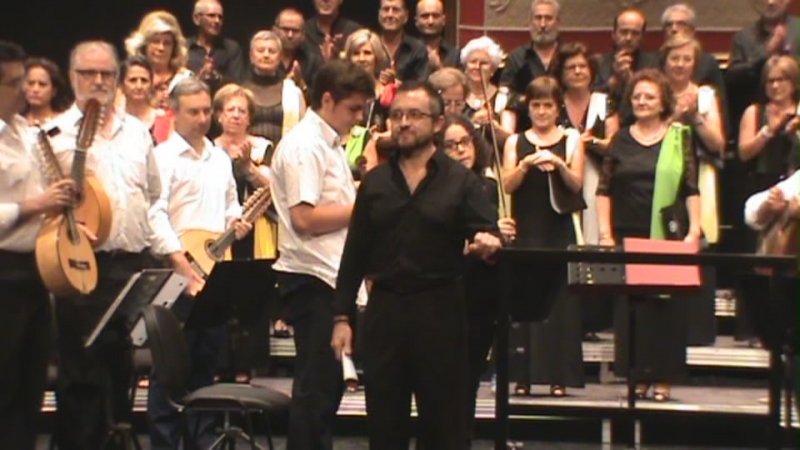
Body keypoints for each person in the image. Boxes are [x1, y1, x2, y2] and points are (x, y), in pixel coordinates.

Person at [331, 81, 503, 449]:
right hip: (385, 310)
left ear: (438, 123)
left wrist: (489, 242)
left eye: (414, 115)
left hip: (440, 310)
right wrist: (342, 317)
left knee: (444, 426)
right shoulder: (375, 182)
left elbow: (487, 231)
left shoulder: (461, 181)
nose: (403, 123)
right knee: (384, 424)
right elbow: (354, 254)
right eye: (396, 115)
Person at [48, 40, 162, 449]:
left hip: (129, 265)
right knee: (81, 374)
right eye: (88, 73)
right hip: (81, 265)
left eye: (106, 73)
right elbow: (44, 204)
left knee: (120, 368)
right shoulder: (55, 135)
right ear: (72, 77)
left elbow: (152, 192)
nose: (98, 81)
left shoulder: (137, 132)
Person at [269, 59, 375, 450]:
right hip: (313, 279)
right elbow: (304, 218)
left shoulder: (329, 143)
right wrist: (365, 206)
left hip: (330, 277)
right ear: (327, 100)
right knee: (316, 391)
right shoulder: (305, 146)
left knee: (326, 391)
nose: (359, 117)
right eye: (353, 108)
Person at [596, 68, 701, 402]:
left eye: (649, 96)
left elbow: (691, 188)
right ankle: (637, 376)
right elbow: (604, 190)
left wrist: (694, 230)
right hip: (628, 233)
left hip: (667, 234)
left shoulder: (680, 136)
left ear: (663, 102)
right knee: (633, 311)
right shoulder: (620, 139)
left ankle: (663, 377)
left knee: (665, 309)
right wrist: (605, 233)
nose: (642, 101)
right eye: (637, 96)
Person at [0, 40, 74, 450]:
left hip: (34, 269)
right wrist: (36, 205)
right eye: (15, 83)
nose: (25, 91)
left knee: (30, 384)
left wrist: (59, 198)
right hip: (3, 271)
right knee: (5, 383)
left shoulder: (24, 133)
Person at [502, 76, 586, 397]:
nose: (541, 111)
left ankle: (558, 377)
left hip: (558, 230)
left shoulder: (571, 138)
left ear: (557, 108)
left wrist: (559, 164)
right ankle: (522, 377)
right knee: (524, 302)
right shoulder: (515, 142)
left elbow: (576, 184)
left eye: (547, 105)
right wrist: (525, 165)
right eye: (536, 105)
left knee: (560, 306)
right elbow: (508, 184)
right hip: (527, 229)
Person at [441, 114, 515, 446]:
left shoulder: (487, 187)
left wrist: (501, 234)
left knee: (469, 378)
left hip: (480, 293)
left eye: (465, 142)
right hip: (447, 289)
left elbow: (490, 236)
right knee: (448, 382)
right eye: (450, 145)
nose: (460, 150)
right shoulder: (437, 189)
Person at [22, 57, 73, 128]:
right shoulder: (14, 123)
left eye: (42, 84)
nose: (35, 89)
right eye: (31, 83)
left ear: (54, 91)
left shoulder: (65, 123)